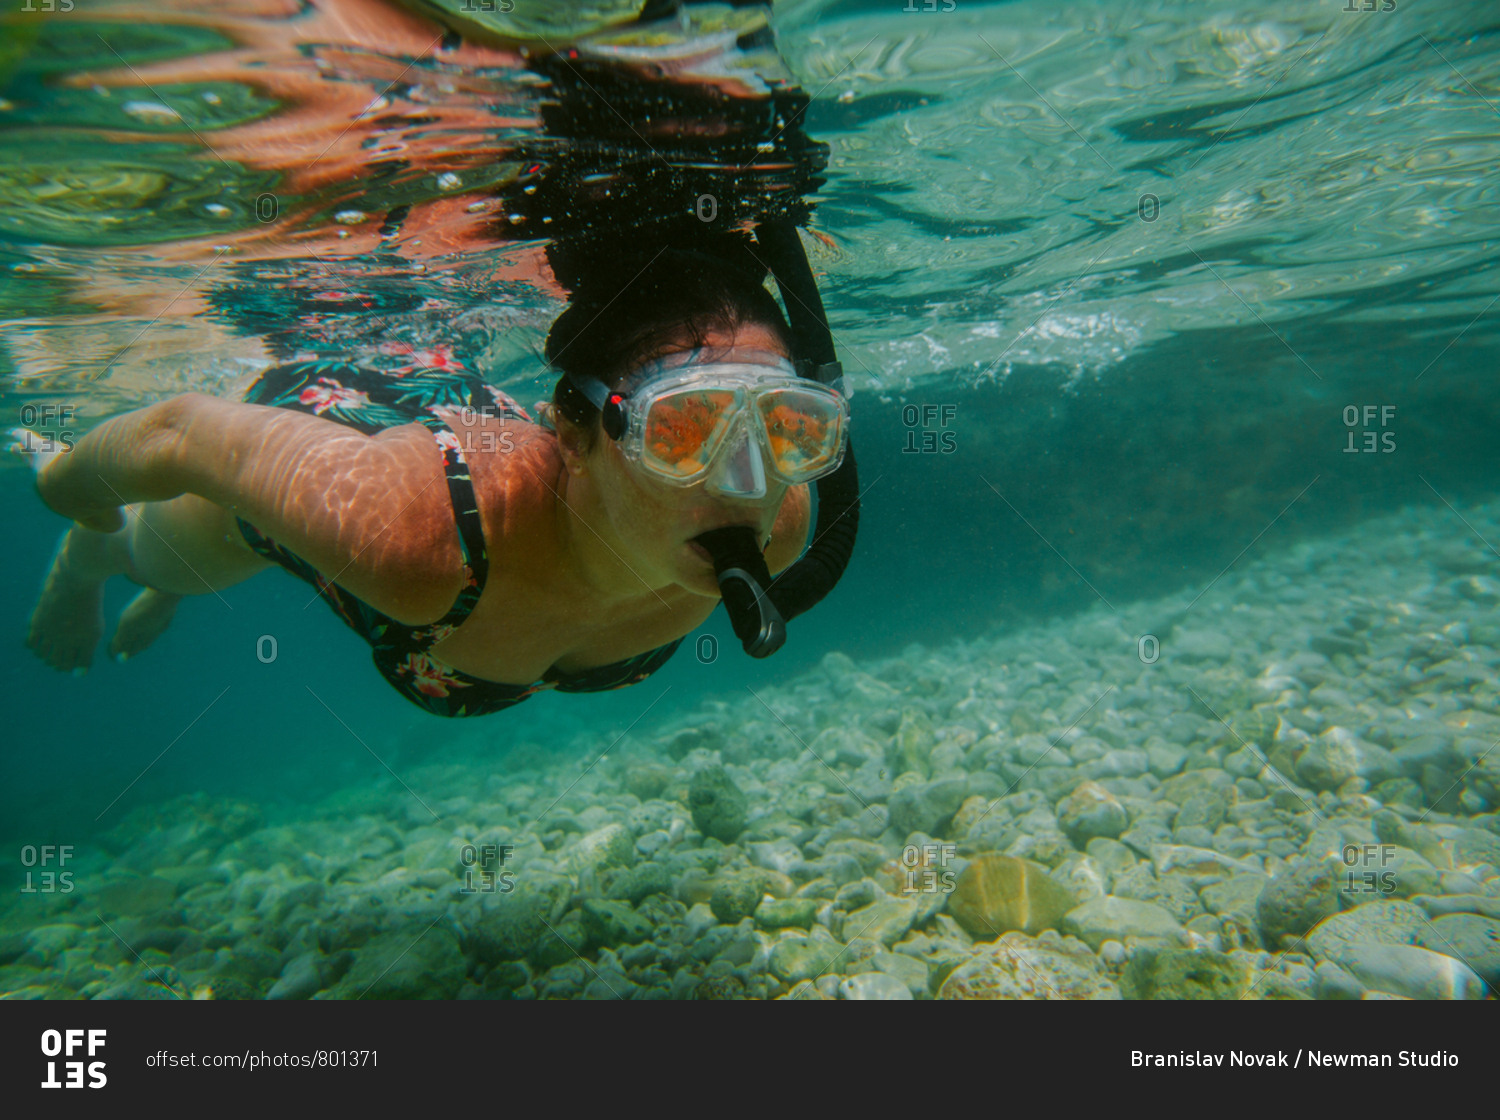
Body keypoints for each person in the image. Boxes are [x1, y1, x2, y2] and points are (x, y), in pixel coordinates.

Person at [24, 248, 851, 717]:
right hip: (344, 423)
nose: (749, 480)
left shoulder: (783, 515)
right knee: (151, 551)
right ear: (570, 426)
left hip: (472, 435)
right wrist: (65, 489)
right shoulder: (405, 533)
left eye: (789, 427)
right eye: (685, 428)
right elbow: (178, 432)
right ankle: (89, 563)